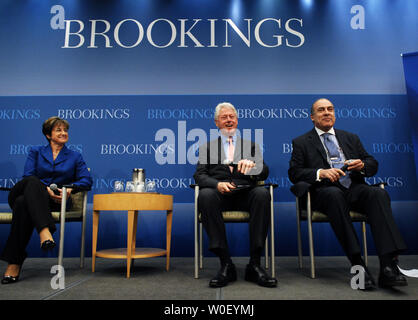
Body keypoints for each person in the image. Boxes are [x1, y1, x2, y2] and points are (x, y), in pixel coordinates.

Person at [288, 98, 407, 289]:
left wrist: (362, 166)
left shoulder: (350, 137)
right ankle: (357, 265)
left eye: (330, 109)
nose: (327, 113)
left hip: (353, 188)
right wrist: (320, 173)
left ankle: (388, 266)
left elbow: (372, 163)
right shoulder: (301, 142)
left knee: (378, 194)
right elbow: (294, 173)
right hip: (324, 192)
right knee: (334, 196)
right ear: (312, 117)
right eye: (321, 110)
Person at [193, 102, 277, 288]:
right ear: (217, 122)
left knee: (262, 194)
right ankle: (226, 264)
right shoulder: (207, 147)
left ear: (237, 121)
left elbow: (264, 172)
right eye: (224, 117)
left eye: (232, 117)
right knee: (205, 195)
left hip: (245, 194)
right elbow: (199, 175)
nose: (229, 120)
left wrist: (253, 168)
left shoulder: (250, 145)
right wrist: (217, 184)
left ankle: (254, 265)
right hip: (220, 196)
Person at [1, 116, 92, 284]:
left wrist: (70, 188)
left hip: (56, 201)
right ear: (48, 135)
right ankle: (45, 231)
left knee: (23, 204)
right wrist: (46, 190)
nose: (64, 133)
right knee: (32, 182)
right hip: (30, 191)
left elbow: (86, 180)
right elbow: (28, 175)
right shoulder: (35, 151)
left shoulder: (75, 156)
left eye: (65, 130)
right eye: (59, 130)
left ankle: (14, 263)